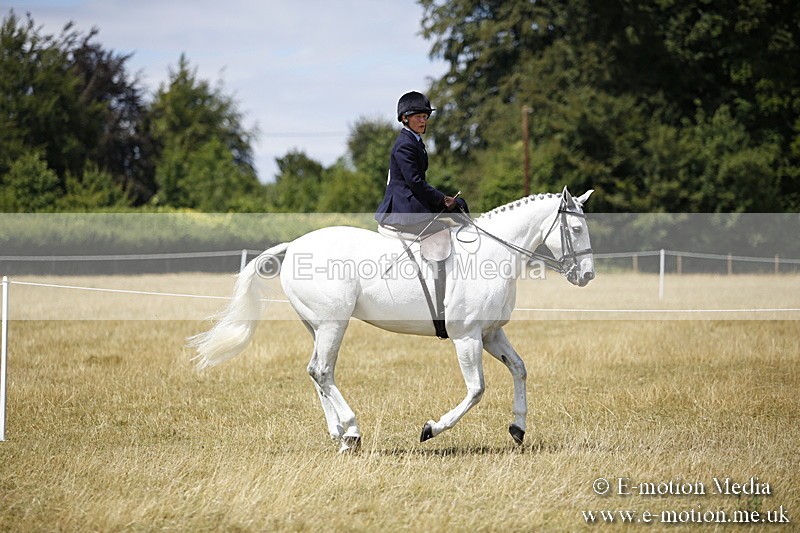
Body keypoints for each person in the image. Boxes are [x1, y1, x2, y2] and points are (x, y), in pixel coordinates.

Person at [375, 91, 468, 234]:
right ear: (405, 118)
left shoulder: (415, 141)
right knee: (443, 230)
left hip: (414, 202)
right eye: (418, 117)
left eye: (425, 117)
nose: (423, 121)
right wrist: (442, 199)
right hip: (404, 209)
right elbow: (415, 182)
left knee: (460, 206)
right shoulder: (405, 145)